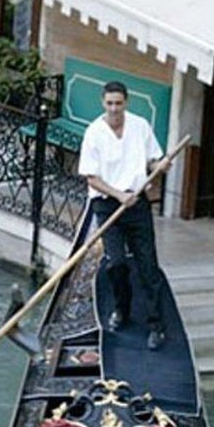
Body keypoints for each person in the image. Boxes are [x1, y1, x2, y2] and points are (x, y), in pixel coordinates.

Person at [78, 81, 171, 350]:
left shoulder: (140, 125)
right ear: (102, 103)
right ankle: (122, 309)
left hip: (137, 203)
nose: (114, 108)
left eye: (118, 103)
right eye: (110, 103)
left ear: (126, 102)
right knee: (115, 263)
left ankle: (156, 326)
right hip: (109, 205)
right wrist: (119, 196)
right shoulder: (94, 133)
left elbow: (153, 160)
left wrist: (160, 165)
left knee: (148, 265)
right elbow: (92, 178)